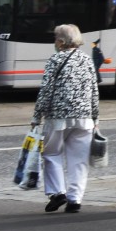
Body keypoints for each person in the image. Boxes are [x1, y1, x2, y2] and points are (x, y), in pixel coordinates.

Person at [31, 23, 99, 214]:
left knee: (51, 153)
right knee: (79, 160)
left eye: (55, 38)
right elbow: (94, 90)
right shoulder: (87, 60)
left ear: (61, 42)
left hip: (58, 117)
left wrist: (37, 117)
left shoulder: (55, 60)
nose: (54, 42)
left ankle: (57, 192)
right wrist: (95, 117)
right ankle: (74, 200)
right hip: (84, 118)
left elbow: (45, 91)